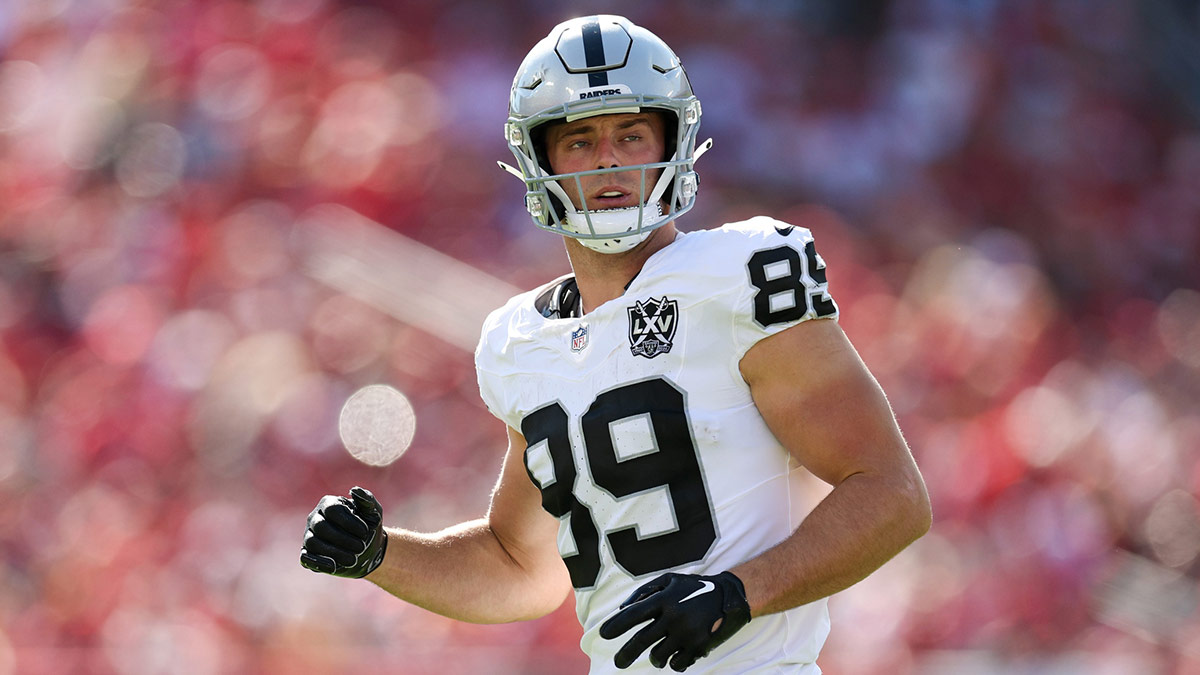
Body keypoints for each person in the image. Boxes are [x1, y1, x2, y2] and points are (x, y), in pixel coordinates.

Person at [301, 14, 931, 673]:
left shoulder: (742, 275)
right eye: (580, 140)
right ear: (538, 160)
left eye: (630, 133)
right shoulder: (522, 342)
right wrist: (379, 554)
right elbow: (520, 564)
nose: (608, 159)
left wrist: (738, 593)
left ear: (674, 139)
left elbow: (891, 492)